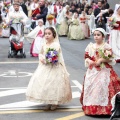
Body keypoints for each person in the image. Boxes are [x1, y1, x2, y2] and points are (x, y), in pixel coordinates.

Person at [26, 27, 72, 111]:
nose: (47, 36)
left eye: (49, 34)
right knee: (45, 84)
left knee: (54, 84)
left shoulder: (56, 45)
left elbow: (56, 56)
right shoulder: (44, 44)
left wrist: (50, 60)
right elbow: (41, 53)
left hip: (54, 67)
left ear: (53, 35)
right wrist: (42, 59)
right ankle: (48, 101)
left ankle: (54, 102)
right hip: (45, 66)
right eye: (46, 34)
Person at [80, 28, 120, 115]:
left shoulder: (106, 46)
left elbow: (110, 59)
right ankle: (91, 108)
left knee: (102, 84)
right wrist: (89, 61)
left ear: (103, 36)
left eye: (98, 35)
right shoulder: (90, 46)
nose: (96, 37)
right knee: (90, 86)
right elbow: (86, 56)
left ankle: (105, 108)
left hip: (104, 69)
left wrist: (102, 60)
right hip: (92, 69)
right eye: (95, 35)